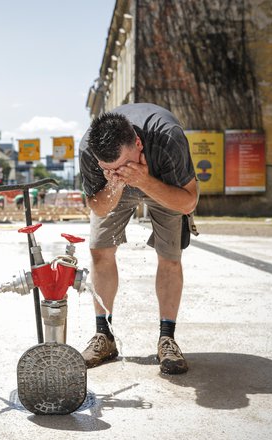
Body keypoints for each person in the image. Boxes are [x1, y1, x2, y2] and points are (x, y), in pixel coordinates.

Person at [78, 103, 199, 375]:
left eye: (124, 165)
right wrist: (114, 182)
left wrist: (143, 181)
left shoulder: (167, 137)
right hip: (115, 191)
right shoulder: (88, 148)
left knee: (170, 255)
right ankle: (104, 336)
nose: (120, 170)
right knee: (99, 249)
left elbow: (188, 202)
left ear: (137, 143)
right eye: (110, 168)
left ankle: (167, 337)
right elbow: (98, 207)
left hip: (162, 183)